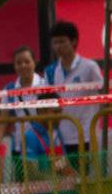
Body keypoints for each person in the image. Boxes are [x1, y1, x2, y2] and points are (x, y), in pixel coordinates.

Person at [0, 46, 55, 194]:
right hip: (20, 150)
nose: (23, 65)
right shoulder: (9, 90)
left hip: (47, 146)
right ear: (14, 66)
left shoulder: (46, 83)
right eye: (19, 62)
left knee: (45, 192)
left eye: (27, 61)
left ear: (34, 62)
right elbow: (2, 120)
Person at [44, 21, 103, 152]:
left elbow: (104, 94)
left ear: (74, 41)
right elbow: (47, 103)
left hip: (87, 133)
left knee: (87, 172)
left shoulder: (89, 67)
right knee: (64, 172)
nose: (58, 46)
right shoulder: (50, 71)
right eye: (55, 42)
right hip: (60, 137)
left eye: (62, 41)